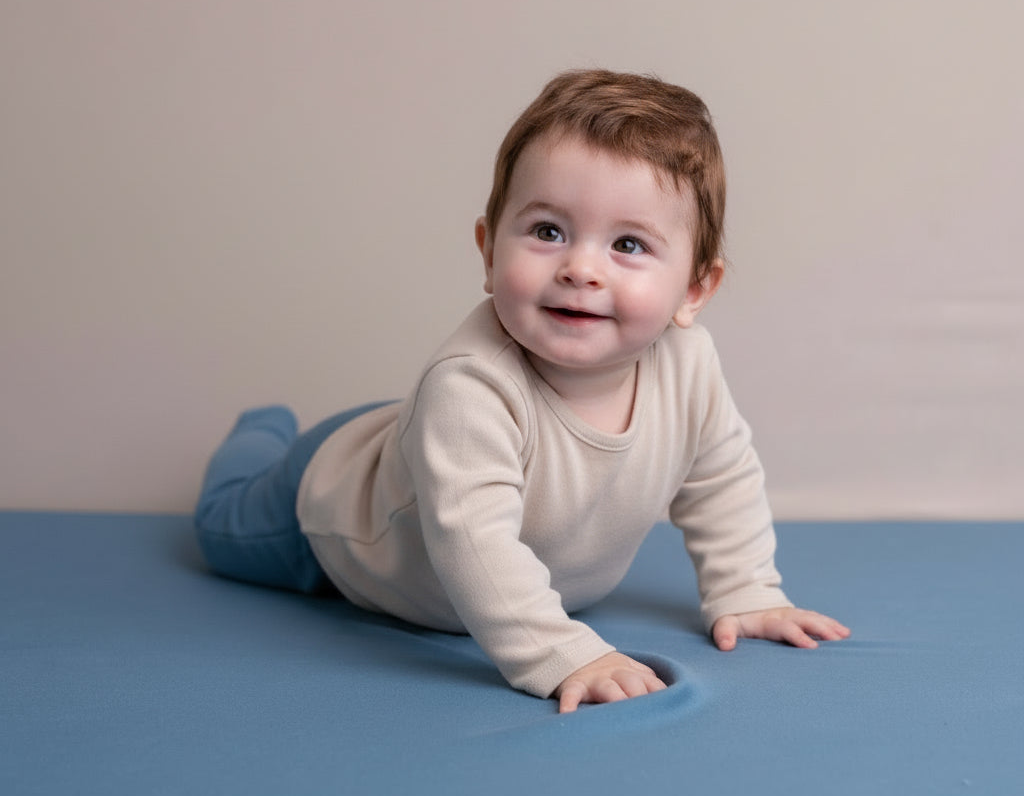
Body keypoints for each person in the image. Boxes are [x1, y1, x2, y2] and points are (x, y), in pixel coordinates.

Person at [194, 69, 849, 713]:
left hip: (422, 440)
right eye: (547, 232)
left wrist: (745, 589)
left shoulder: (689, 366)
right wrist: (561, 652)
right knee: (221, 522)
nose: (580, 268)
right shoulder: (469, 387)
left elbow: (721, 477)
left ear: (695, 290)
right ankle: (261, 431)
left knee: (420, 433)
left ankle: (302, 430)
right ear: (487, 251)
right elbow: (476, 544)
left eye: (628, 244)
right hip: (335, 509)